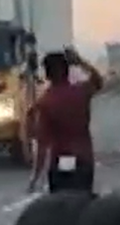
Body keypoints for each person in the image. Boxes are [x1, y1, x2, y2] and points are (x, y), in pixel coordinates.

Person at [27, 46, 104, 193]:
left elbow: (42, 145)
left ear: (47, 75)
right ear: (68, 71)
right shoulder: (81, 92)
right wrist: (80, 62)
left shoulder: (45, 102)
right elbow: (98, 81)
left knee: (59, 206)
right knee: (83, 203)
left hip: (59, 160)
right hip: (83, 158)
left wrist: (35, 176)